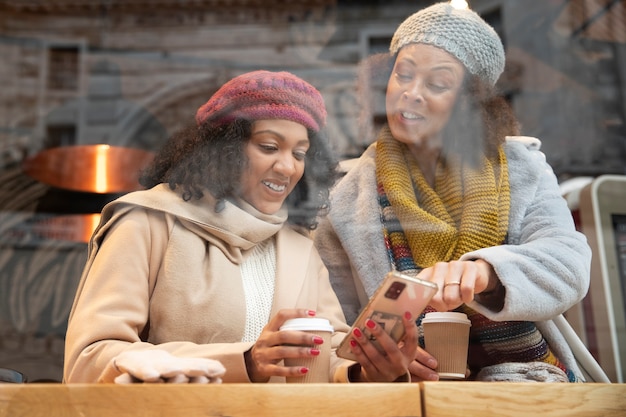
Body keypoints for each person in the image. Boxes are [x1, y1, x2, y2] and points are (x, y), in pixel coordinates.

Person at [63, 70, 417, 384]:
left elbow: (329, 357)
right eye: (269, 147)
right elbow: (90, 360)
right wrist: (244, 362)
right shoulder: (147, 222)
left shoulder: (300, 250)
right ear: (224, 149)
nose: (287, 167)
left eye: (299, 153)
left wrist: (364, 370)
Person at [314, 3, 592, 383]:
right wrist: (371, 365)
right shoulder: (346, 197)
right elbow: (338, 329)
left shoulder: (522, 167)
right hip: (410, 392)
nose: (410, 93)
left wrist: (484, 273)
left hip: (532, 381)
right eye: (403, 75)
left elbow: (568, 265)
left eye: (437, 84)